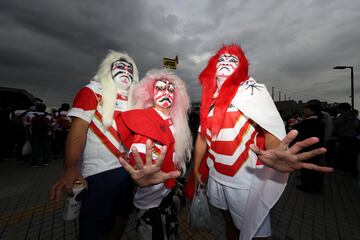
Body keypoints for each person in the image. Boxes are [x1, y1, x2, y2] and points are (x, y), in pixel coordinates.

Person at [190, 44, 333, 240]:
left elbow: (270, 128)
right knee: (228, 223)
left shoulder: (251, 90)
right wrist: (197, 168)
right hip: (216, 175)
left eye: (233, 60)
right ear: (213, 67)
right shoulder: (210, 99)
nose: (225, 63)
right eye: (221, 60)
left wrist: (276, 151)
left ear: (241, 67)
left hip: (243, 180)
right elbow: (202, 136)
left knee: (253, 232)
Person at [50, 50, 139, 240]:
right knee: (94, 227)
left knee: (121, 217)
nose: (126, 71)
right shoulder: (92, 91)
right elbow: (78, 129)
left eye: (130, 69)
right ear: (108, 70)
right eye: (120, 67)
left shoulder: (137, 100)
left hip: (130, 171)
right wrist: (71, 166)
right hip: (99, 173)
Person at [116, 69, 192, 240]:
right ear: (150, 93)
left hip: (168, 196)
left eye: (171, 90)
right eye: (160, 88)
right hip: (150, 202)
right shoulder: (144, 120)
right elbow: (139, 156)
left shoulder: (176, 122)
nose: (166, 92)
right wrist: (141, 176)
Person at [293, 99, 325, 193]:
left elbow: (298, 135)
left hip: (307, 149)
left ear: (313, 111)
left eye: (306, 109)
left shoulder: (307, 123)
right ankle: (317, 186)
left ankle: (307, 186)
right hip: (317, 148)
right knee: (315, 167)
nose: (304, 111)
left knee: (307, 168)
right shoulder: (320, 121)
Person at [25, 102, 54, 167]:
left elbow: (27, 125)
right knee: (45, 148)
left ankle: (35, 163)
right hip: (46, 134)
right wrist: (52, 134)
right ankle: (45, 162)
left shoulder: (30, 115)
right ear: (44, 109)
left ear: (36, 108)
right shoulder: (49, 116)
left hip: (34, 134)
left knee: (35, 148)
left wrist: (27, 134)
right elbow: (52, 126)